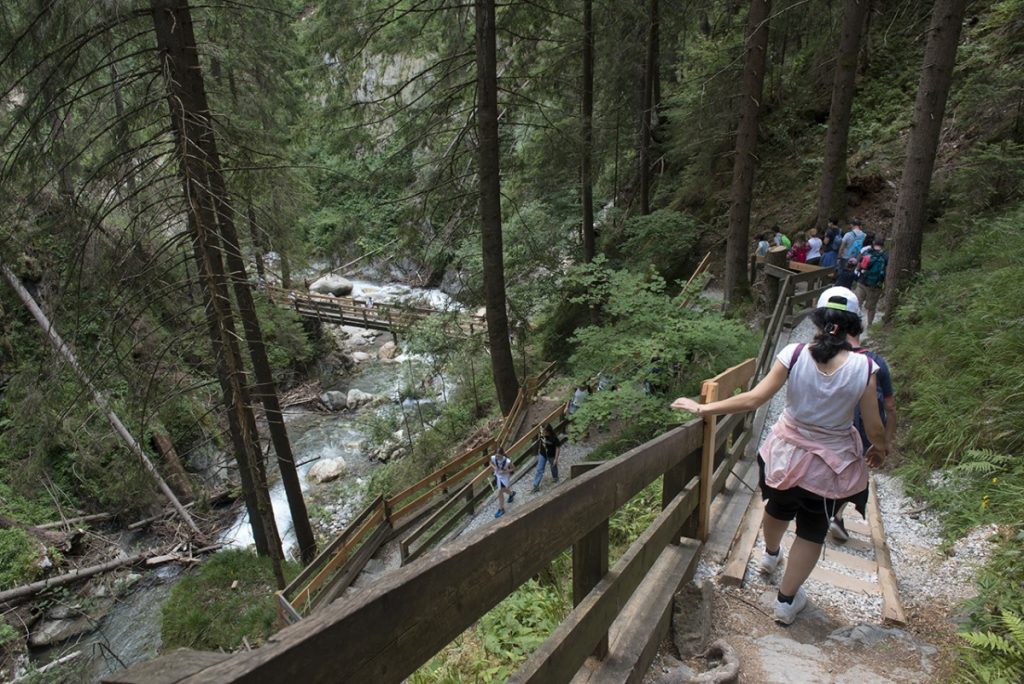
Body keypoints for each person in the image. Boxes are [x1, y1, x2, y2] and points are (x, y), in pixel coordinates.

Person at [671, 287, 886, 625]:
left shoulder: (795, 353)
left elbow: (753, 399)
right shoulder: (865, 367)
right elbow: (873, 425)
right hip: (831, 462)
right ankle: (786, 602)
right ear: (853, 325)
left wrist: (703, 407)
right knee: (812, 529)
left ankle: (770, 555)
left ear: (817, 319)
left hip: (786, 452)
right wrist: (881, 448)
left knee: (777, 506)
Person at [829, 332, 897, 541]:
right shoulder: (877, 362)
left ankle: (822, 509)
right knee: (854, 473)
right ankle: (836, 513)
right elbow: (890, 406)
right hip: (865, 428)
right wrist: (885, 441)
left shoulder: (827, 356)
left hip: (831, 424)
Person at [855, 236, 888, 326]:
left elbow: (858, 266)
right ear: (883, 245)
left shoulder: (866, 252)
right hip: (875, 285)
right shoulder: (886, 256)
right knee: (871, 307)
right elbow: (886, 273)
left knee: (858, 304)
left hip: (862, 282)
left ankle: (856, 323)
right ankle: (869, 325)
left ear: (873, 244)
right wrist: (885, 286)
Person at [532, 424, 561, 492]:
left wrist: (556, 459)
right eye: (543, 431)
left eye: (545, 432)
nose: (543, 433)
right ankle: (536, 485)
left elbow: (557, 448)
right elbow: (541, 442)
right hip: (543, 454)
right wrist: (539, 449)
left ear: (549, 431)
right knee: (539, 469)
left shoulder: (554, 438)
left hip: (551, 455)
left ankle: (555, 477)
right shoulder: (542, 434)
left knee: (553, 466)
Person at [491, 446, 516, 518]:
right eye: (496, 455)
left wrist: (505, 471)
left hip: (505, 477)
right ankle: (511, 494)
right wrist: (494, 467)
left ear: (502, 454)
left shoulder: (508, 461)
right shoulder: (493, 458)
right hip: (498, 476)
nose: (497, 457)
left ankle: (501, 509)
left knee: (500, 492)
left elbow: (514, 468)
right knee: (503, 490)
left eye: (499, 456)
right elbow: (491, 463)